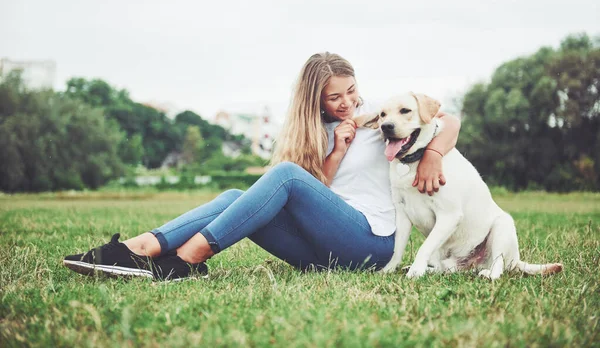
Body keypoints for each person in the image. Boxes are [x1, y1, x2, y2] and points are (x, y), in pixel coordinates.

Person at [63, 52, 461, 281]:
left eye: (351, 90)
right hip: (322, 251)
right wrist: (336, 151)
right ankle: (135, 250)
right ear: (316, 101)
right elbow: (312, 194)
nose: (347, 102)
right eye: (334, 97)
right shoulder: (313, 134)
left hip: (372, 245)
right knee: (240, 197)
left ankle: (185, 261)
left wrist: (433, 154)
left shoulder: (383, 118)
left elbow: (451, 120)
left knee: (286, 176)